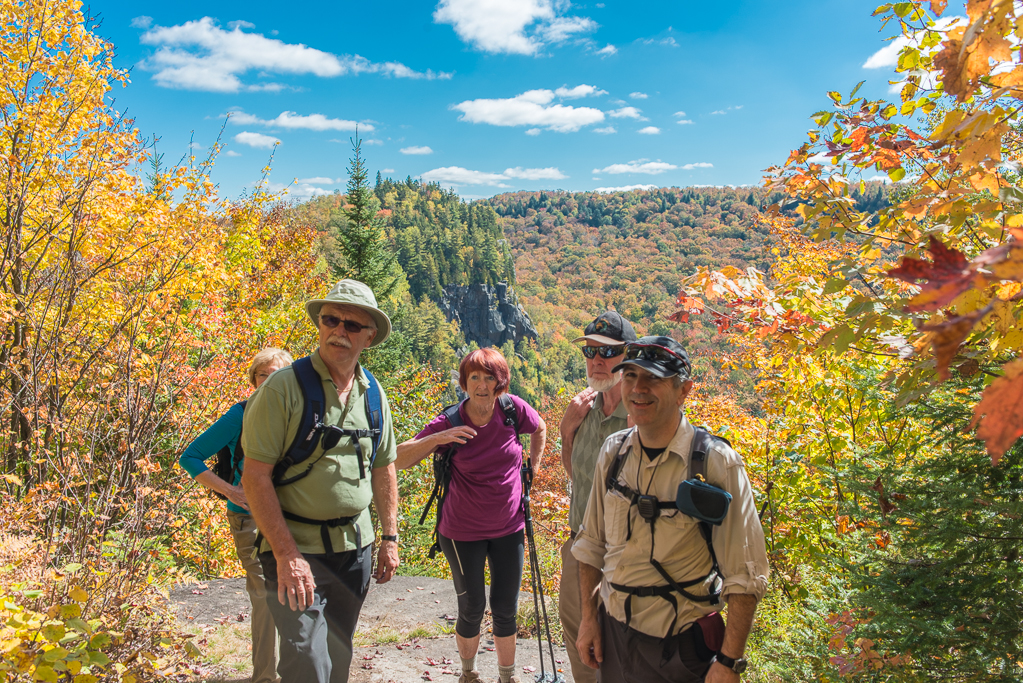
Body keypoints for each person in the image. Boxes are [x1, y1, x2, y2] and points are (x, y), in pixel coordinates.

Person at [573, 336, 769, 683]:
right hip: (615, 639)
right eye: (630, 376)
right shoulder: (613, 452)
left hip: (682, 651)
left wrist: (728, 662)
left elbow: (746, 574)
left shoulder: (715, 463)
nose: (638, 388)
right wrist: (589, 618)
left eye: (653, 378)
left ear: (684, 391)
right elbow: (591, 545)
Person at [241, 280, 400, 683]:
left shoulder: (374, 394)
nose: (339, 331)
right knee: (306, 666)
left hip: (354, 552)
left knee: (337, 660)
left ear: (369, 336)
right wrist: (287, 556)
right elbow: (255, 476)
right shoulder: (282, 389)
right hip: (295, 551)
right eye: (331, 320)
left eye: (351, 325)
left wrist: (390, 537)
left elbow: (384, 467)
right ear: (320, 324)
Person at [396, 348, 547, 683]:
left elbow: (540, 428)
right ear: (464, 383)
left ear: (500, 381)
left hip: (509, 527)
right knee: (472, 607)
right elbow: (397, 459)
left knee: (506, 608)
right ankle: (468, 675)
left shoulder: (511, 410)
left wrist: (531, 471)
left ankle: (507, 678)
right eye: (474, 377)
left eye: (488, 377)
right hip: (462, 532)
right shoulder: (450, 421)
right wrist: (440, 438)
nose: (481, 384)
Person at [178, 346, 292, 683]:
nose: (270, 381)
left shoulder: (295, 414)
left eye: (278, 375)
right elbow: (191, 457)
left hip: (293, 516)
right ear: (254, 380)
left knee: (293, 592)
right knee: (265, 594)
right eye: (263, 375)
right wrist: (231, 491)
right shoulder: (240, 415)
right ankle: (264, 677)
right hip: (248, 520)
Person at [558, 312, 636, 683]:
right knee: (578, 637)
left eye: (608, 352)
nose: (596, 361)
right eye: (590, 351)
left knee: (621, 648)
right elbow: (577, 474)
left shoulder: (640, 413)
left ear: (629, 355)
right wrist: (565, 430)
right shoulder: (584, 410)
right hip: (579, 547)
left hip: (624, 554)